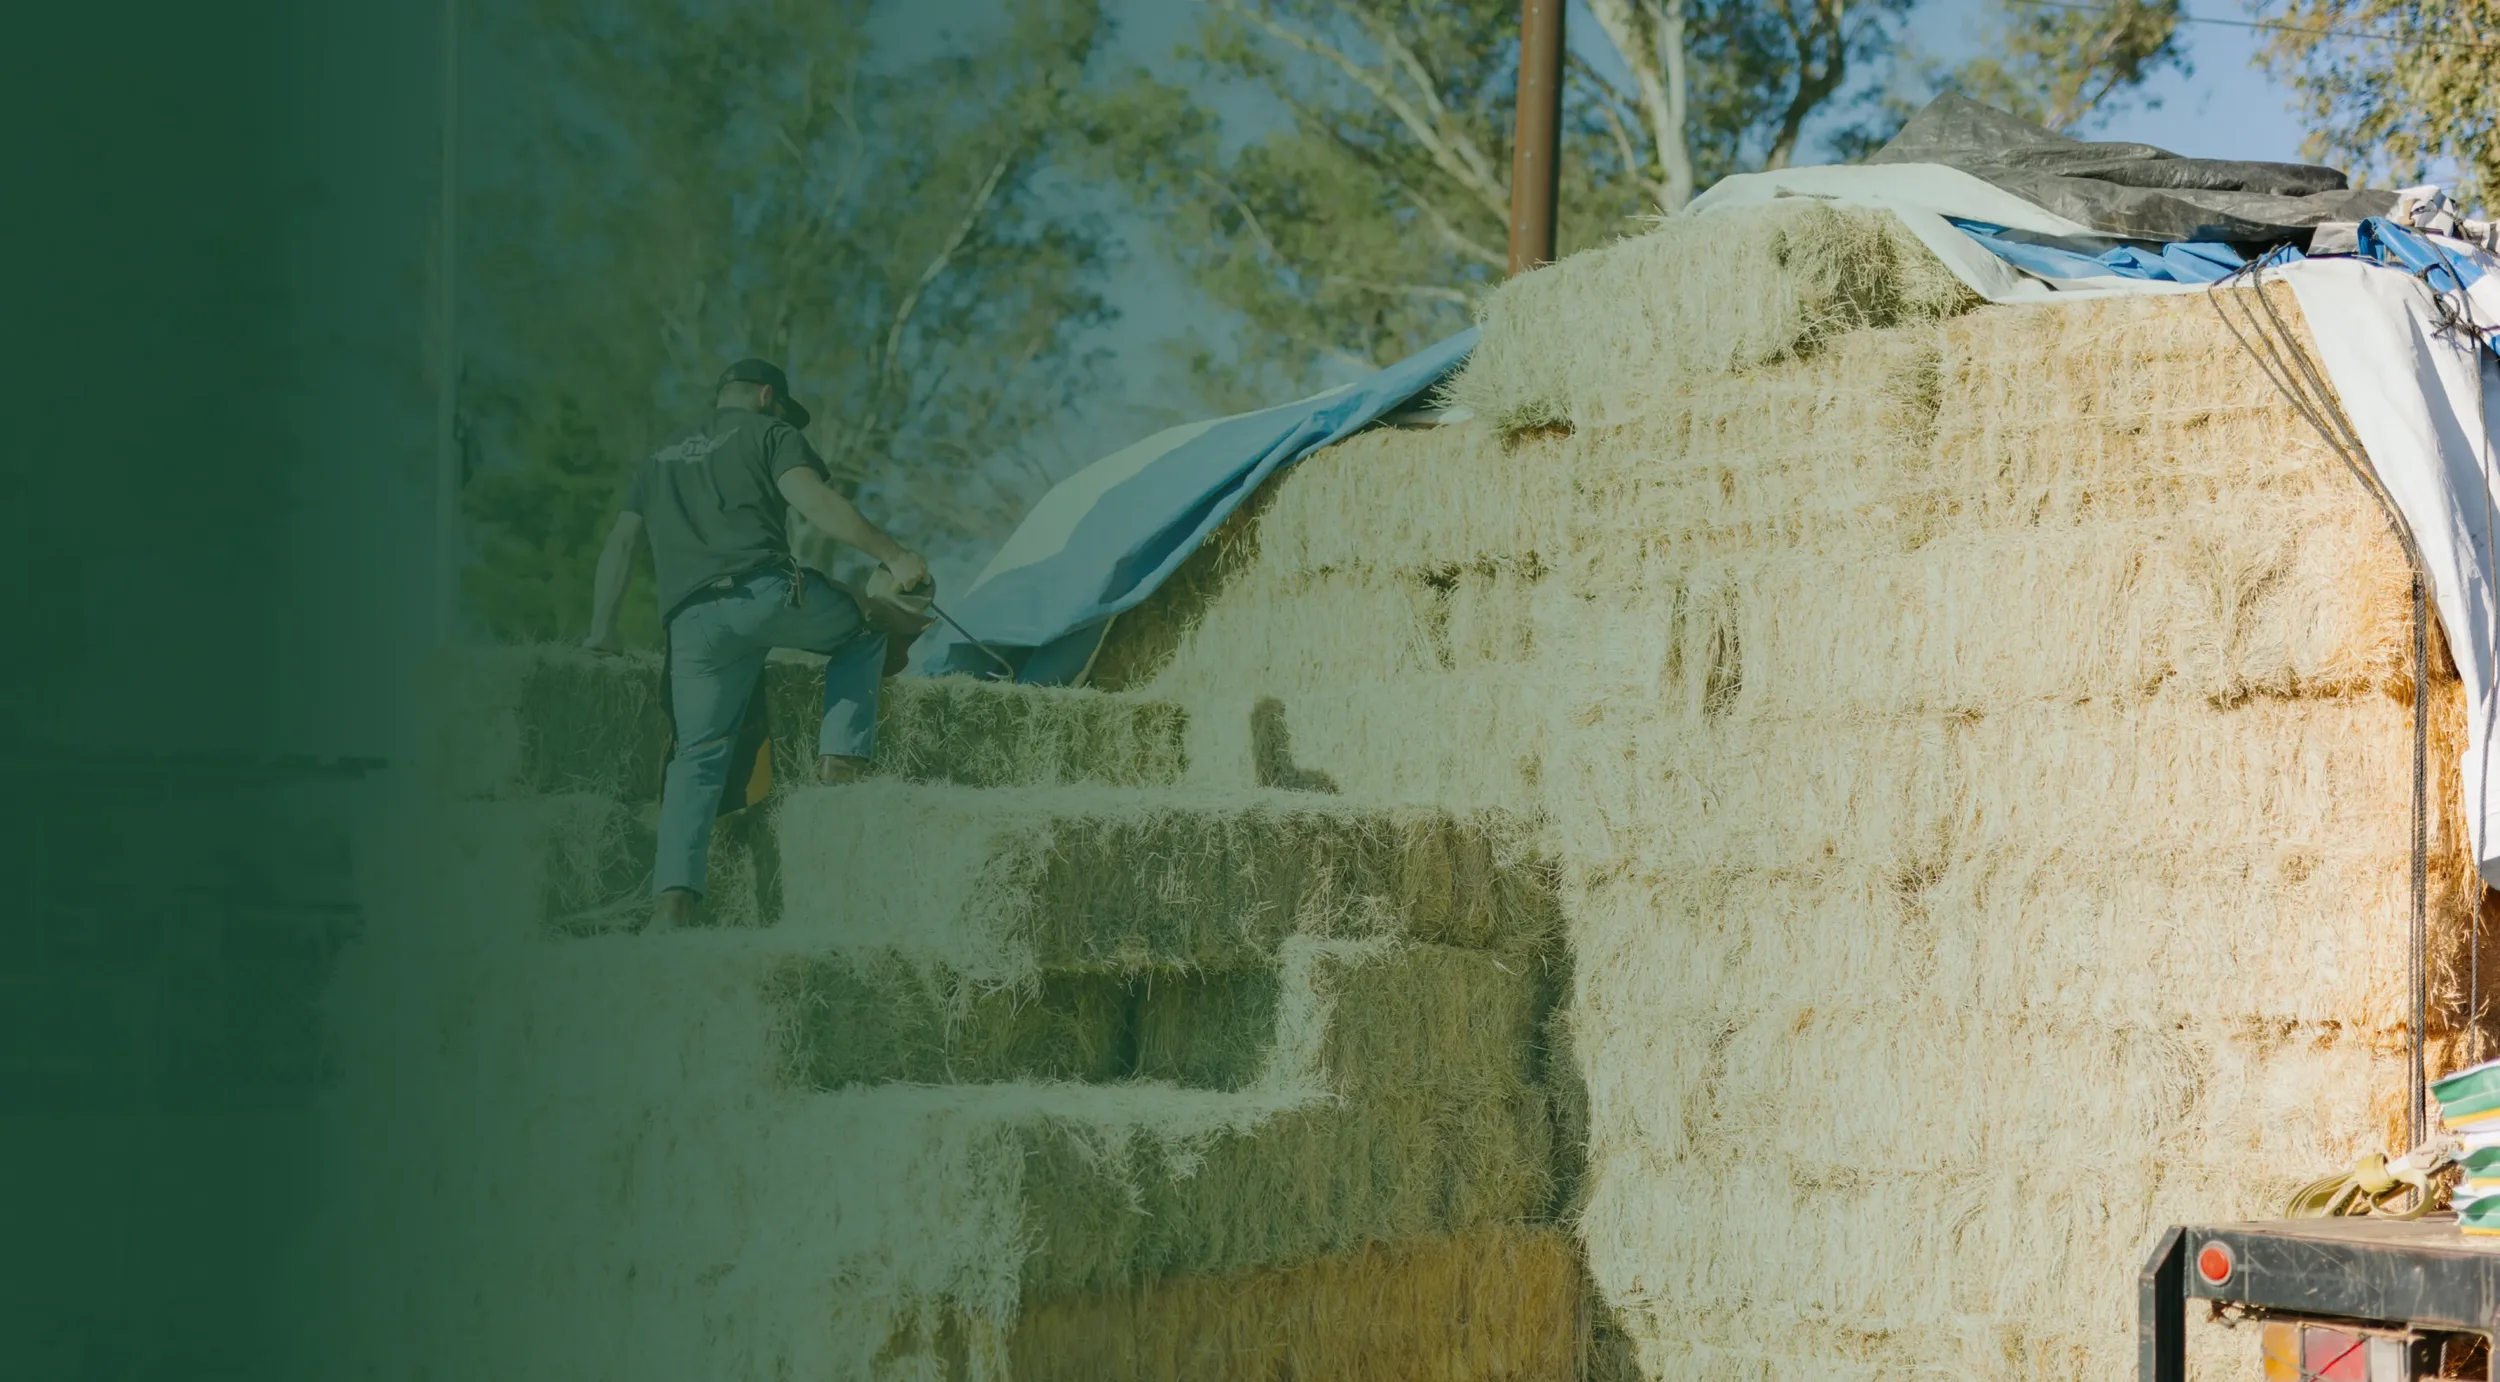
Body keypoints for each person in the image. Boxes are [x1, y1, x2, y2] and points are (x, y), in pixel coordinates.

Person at [583, 358, 931, 930]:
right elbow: (812, 500)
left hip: (691, 621)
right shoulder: (771, 434)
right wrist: (894, 556)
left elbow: (623, 542)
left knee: (694, 758)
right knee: (868, 628)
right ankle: (841, 760)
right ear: (768, 396)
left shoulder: (660, 455)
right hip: (763, 594)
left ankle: (672, 903)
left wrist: (603, 628)